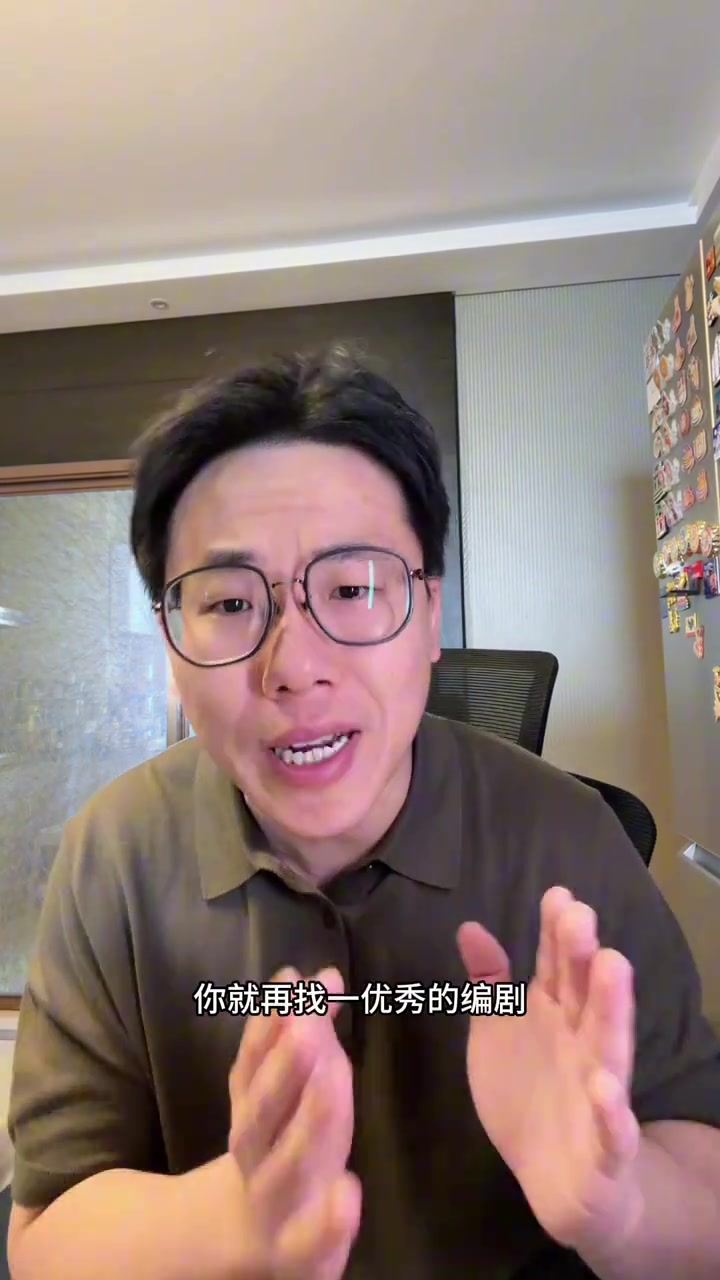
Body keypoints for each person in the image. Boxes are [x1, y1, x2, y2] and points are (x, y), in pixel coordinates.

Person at [7, 347, 720, 1280]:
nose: (294, 667)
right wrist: (232, 1223)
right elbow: (46, 1233)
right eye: (229, 602)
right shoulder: (114, 854)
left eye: (351, 589)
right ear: (173, 646)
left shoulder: (569, 838)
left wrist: (616, 1203)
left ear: (430, 615)